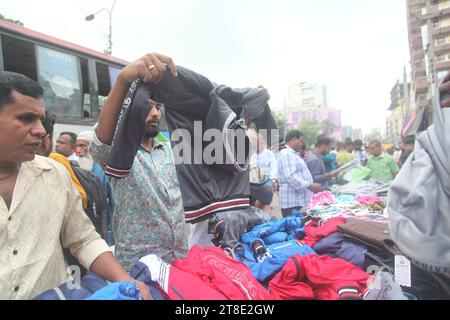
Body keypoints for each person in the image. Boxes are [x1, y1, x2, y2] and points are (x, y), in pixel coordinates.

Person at [0, 71, 151, 300]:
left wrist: (126, 280)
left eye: (41, 119)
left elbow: (83, 239)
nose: (41, 130)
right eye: (26, 118)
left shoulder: (55, 174)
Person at [90, 52, 188, 271]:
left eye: (157, 107)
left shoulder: (169, 151)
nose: (154, 113)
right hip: (138, 272)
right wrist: (123, 81)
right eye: (146, 106)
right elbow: (99, 143)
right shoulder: (120, 154)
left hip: (178, 264)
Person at [76, 131, 116, 245]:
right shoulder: (76, 169)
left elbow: (113, 204)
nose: (79, 151)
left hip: (104, 228)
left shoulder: (103, 171)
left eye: (83, 146)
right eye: (77, 146)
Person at [277, 130, 321, 217]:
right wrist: (309, 185)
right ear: (294, 139)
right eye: (301, 141)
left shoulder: (291, 154)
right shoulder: (287, 154)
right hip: (293, 203)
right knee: (294, 228)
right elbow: (291, 176)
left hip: (296, 202)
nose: (302, 144)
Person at [248, 129, 278, 212]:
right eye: (258, 140)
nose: (260, 142)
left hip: (267, 185)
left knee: (266, 210)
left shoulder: (269, 154)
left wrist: (271, 180)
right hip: (252, 187)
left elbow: (274, 169)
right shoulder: (251, 154)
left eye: (261, 140)